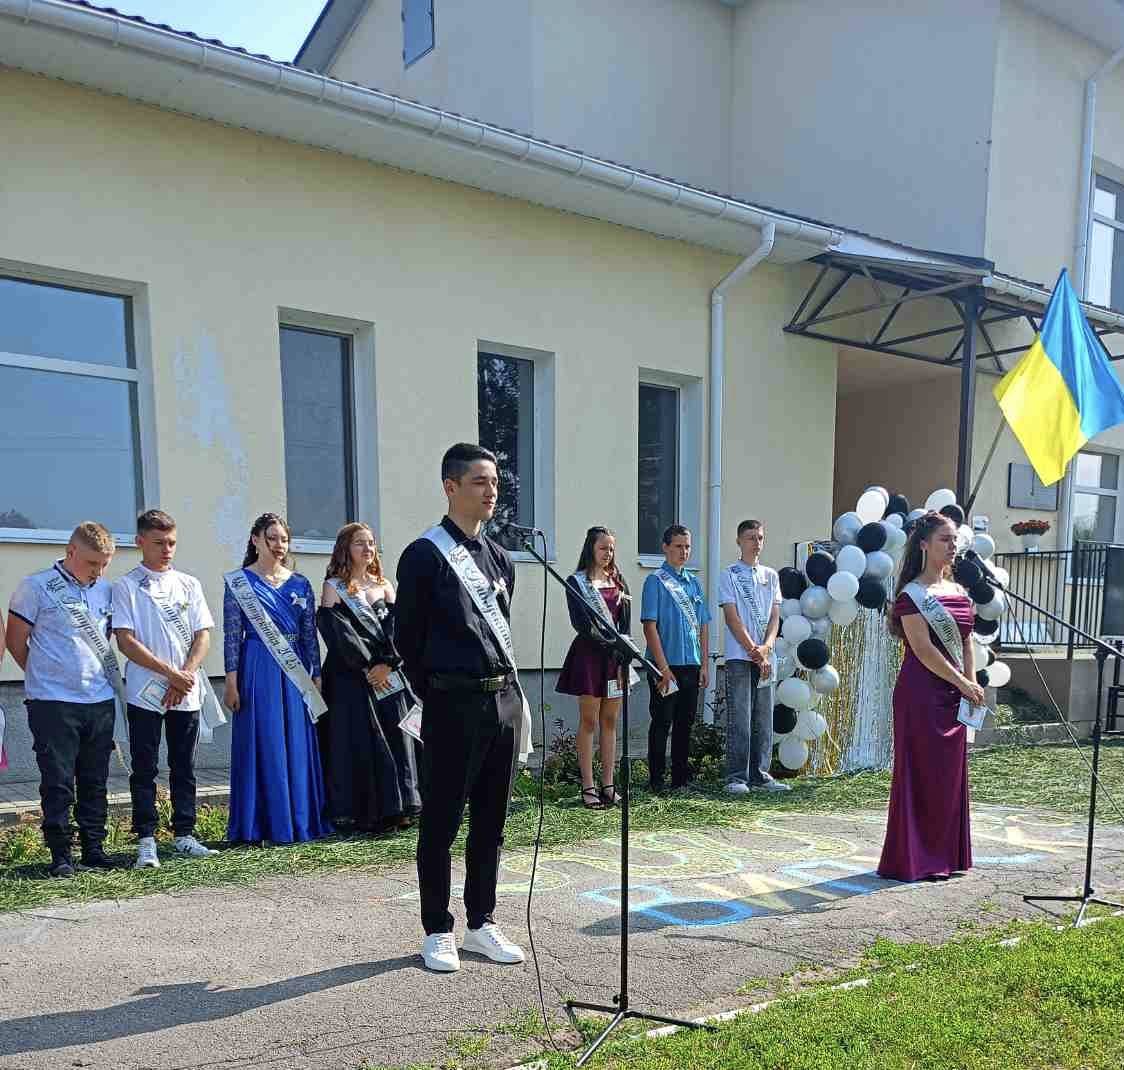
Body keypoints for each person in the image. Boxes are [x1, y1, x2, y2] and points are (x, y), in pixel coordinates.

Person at [395, 443, 528, 973]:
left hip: (502, 701)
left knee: (491, 821)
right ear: (450, 487)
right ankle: (437, 928)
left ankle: (481, 921)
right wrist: (441, 693)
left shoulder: (501, 558)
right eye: (479, 481)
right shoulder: (424, 555)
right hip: (452, 703)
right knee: (442, 821)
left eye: (494, 481)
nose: (491, 491)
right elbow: (407, 639)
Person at [6, 523, 120, 876]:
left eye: (104, 564)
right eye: (91, 563)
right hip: (52, 702)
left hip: (99, 700)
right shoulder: (35, 586)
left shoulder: (107, 591)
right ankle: (61, 855)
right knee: (57, 782)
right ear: (70, 552)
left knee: (95, 780)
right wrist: (46, 676)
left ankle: (94, 849)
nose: (98, 571)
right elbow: (15, 641)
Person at [112, 510, 220, 869]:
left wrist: (184, 675)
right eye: (159, 543)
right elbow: (125, 641)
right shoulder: (127, 586)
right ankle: (146, 840)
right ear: (140, 542)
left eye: (172, 542)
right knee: (144, 767)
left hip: (185, 692)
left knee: (184, 766)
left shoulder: (189, 584)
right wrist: (169, 674)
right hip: (144, 692)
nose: (167, 549)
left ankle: (184, 835)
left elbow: (203, 635)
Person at [878, 511, 983, 882]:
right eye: (944, 539)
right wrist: (962, 683)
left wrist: (972, 685)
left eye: (954, 539)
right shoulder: (912, 595)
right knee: (921, 774)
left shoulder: (960, 592)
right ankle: (917, 859)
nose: (952, 546)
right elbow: (923, 650)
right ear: (924, 544)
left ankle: (947, 855)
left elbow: (966, 642)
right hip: (921, 694)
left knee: (948, 777)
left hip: (955, 695)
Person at [223, 512, 330, 845]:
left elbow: (309, 634)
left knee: (296, 742)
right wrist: (231, 681)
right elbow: (232, 635)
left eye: (284, 539)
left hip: (295, 669)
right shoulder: (239, 582)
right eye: (272, 538)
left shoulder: (300, 583)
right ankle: (262, 824)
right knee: (265, 740)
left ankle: (298, 820)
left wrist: (316, 675)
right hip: (258, 668)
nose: (279, 545)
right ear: (255, 540)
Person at [317, 522, 421, 835]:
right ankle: (367, 812)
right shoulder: (334, 587)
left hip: (388, 673)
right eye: (359, 543)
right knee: (361, 741)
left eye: (371, 543)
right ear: (345, 549)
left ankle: (402, 807)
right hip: (350, 677)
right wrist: (366, 667)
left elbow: (400, 630)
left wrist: (388, 664)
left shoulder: (385, 585)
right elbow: (337, 633)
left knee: (399, 736)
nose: (367, 549)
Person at [557, 526, 631, 809]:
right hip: (589, 657)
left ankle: (608, 785)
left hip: (615, 660)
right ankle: (588, 786)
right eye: (603, 548)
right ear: (591, 548)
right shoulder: (576, 582)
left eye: (611, 548)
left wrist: (623, 660)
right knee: (589, 721)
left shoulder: (619, 581)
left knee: (610, 721)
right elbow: (581, 624)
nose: (608, 553)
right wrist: (608, 644)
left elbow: (625, 625)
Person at [718, 519, 788, 795]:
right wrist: (753, 649)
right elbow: (732, 616)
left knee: (763, 717)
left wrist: (767, 647)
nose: (756, 543)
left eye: (760, 537)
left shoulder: (771, 575)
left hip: (766, 657)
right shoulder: (729, 575)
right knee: (741, 716)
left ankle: (761, 774)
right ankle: (737, 776)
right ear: (739, 541)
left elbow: (775, 616)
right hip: (740, 655)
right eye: (750, 537)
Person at [641, 524, 710, 794]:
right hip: (664, 666)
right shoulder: (655, 581)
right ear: (665, 547)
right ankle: (656, 780)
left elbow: (703, 626)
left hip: (690, 664)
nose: (684, 552)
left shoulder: (694, 583)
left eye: (688, 546)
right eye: (679, 546)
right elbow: (650, 626)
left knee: (685, 723)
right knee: (662, 721)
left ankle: (680, 779)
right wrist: (663, 668)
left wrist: (704, 664)